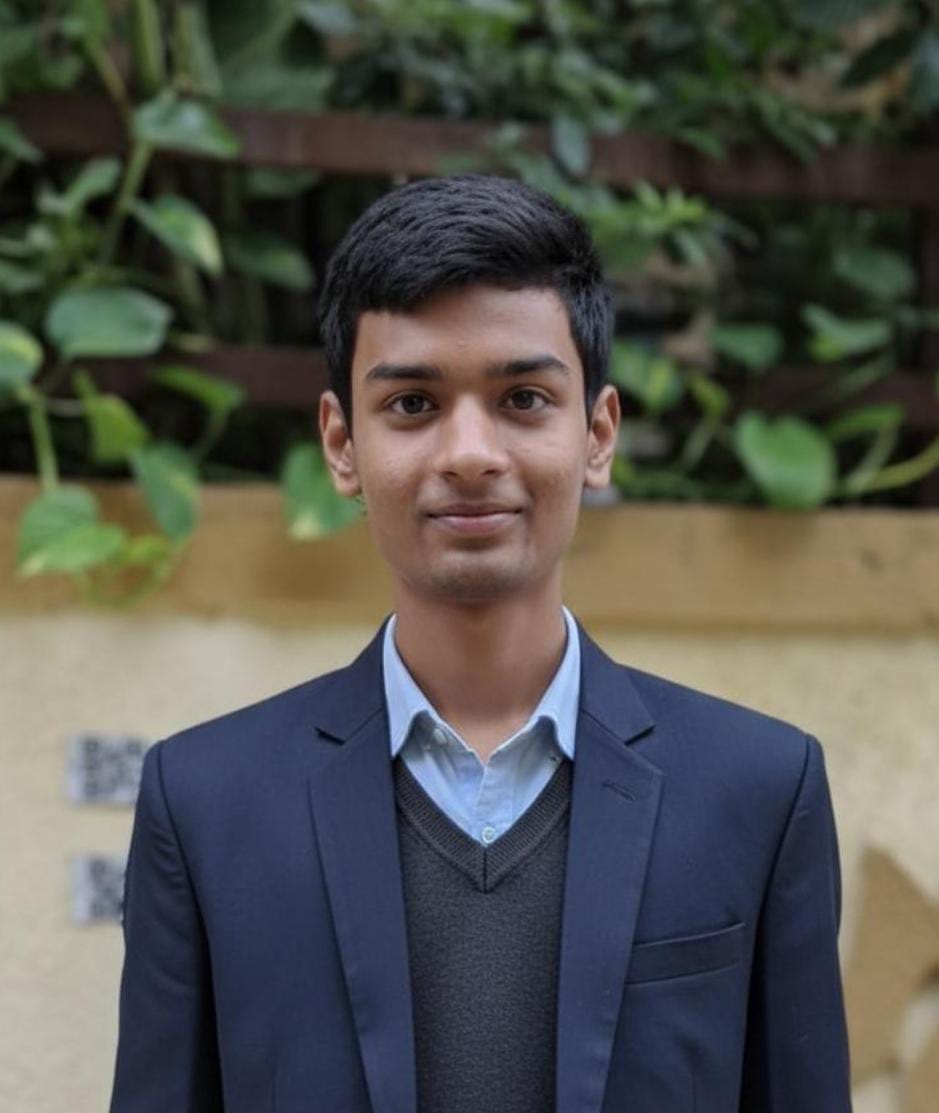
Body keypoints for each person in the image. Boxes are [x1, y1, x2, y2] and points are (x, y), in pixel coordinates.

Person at [109, 174, 852, 1113]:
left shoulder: (758, 790)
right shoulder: (206, 804)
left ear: (597, 434)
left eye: (523, 398)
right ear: (340, 443)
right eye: (412, 404)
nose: (469, 453)